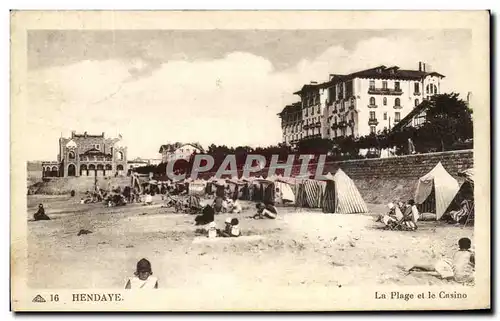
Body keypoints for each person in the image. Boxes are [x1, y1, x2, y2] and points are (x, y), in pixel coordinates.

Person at [408, 237, 475, 284]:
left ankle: (417, 271)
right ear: (469, 245)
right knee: (439, 274)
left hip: (456, 277)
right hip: (464, 278)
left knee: (438, 272)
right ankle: (418, 272)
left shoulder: (456, 253)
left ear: (459, 245)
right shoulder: (471, 254)